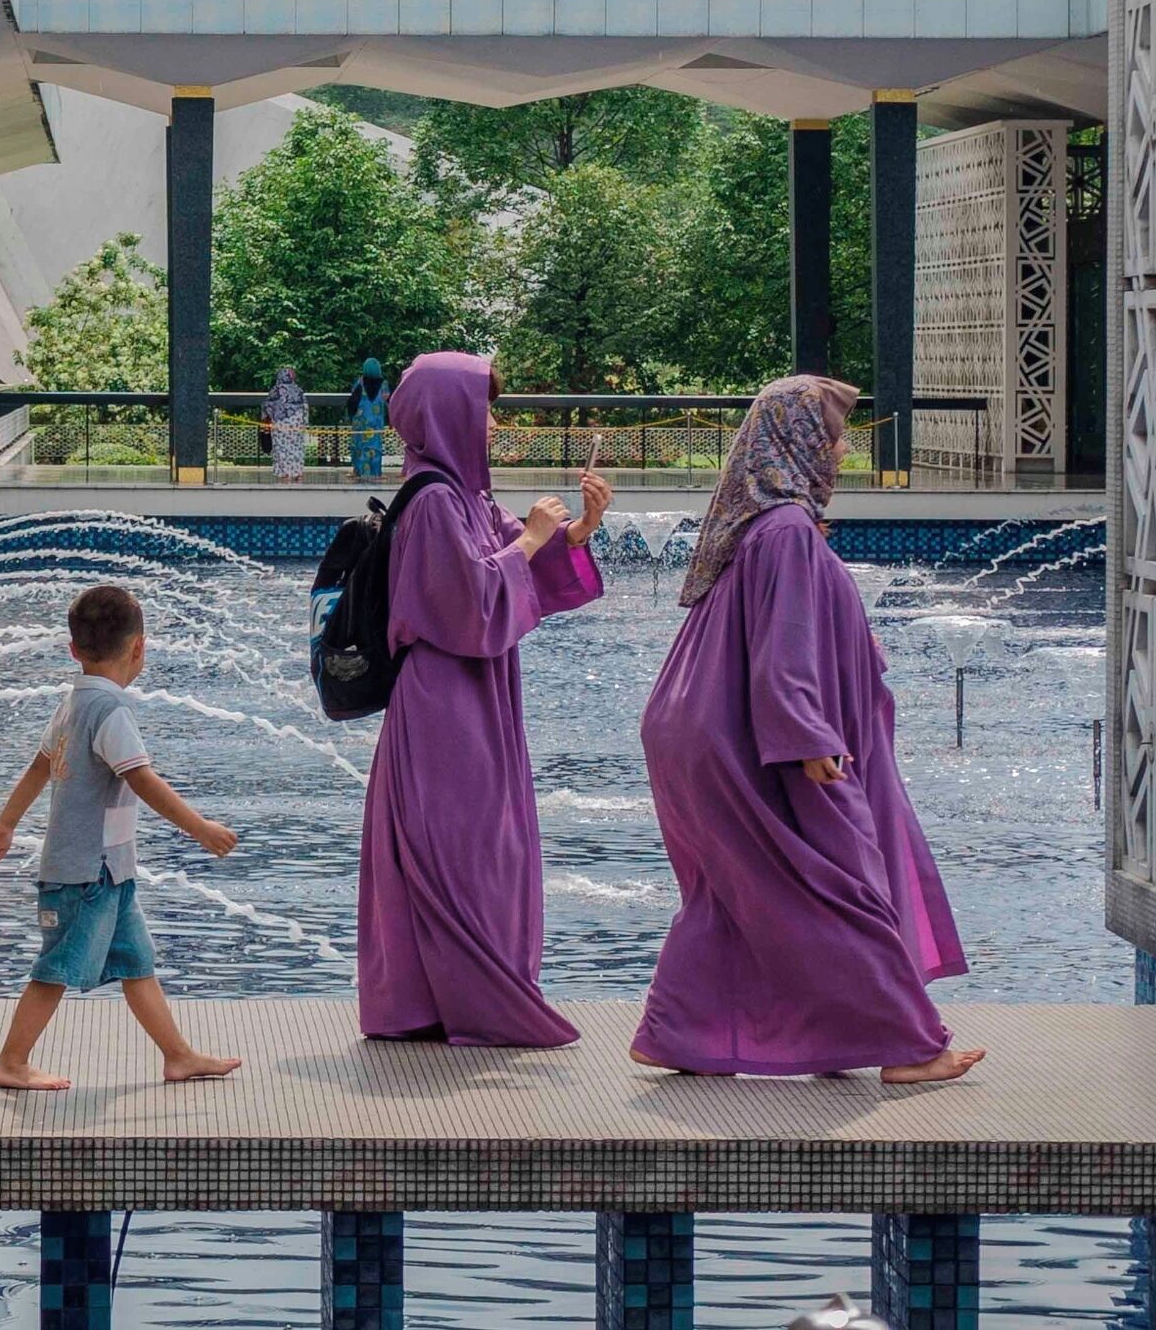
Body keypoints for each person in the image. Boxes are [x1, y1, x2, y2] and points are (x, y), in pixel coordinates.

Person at [631, 376, 983, 1085]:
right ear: (797, 441)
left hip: (705, 732)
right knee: (839, 884)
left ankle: (677, 1032)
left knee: (737, 891)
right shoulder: (785, 531)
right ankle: (910, 1046)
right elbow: (784, 652)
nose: (844, 449)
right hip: (766, 743)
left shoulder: (766, 525)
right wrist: (809, 738)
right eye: (835, 434)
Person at [358, 351, 610, 1046]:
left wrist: (576, 530)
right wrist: (530, 537)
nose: (493, 423)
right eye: (484, 408)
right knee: (463, 849)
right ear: (449, 413)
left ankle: (441, 998)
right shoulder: (435, 499)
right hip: (446, 700)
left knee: (482, 846)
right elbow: (467, 604)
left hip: (475, 694)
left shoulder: (464, 495)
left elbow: (519, 563)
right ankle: (467, 1000)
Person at [0, 585, 243, 1091]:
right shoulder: (111, 711)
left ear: (73, 649)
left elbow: (39, 766)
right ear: (140, 647)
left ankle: (178, 1056)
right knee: (55, 968)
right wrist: (200, 827)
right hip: (86, 874)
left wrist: (6, 823)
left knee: (138, 964)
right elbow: (142, 778)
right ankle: (11, 1061)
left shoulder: (74, 703)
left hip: (109, 872)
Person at [264, 366, 309, 483]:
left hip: (280, 424)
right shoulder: (298, 390)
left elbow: (268, 407)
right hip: (297, 424)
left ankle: (285, 474)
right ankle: (298, 473)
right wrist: (304, 423)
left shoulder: (276, 390)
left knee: (282, 448)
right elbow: (305, 407)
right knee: (297, 448)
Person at [348, 357, 390, 480]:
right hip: (376, 424)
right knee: (375, 448)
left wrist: (351, 417)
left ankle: (359, 472)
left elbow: (352, 402)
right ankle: (376, 473)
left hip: (360, 423)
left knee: (359, 447)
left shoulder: (359, 383)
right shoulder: (384, 385)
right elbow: (389, 402)